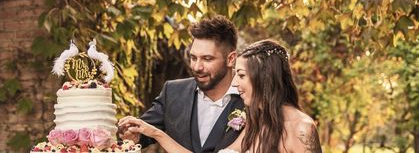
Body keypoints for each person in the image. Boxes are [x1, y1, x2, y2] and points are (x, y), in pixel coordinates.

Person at [119, 40, 323, 153]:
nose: (235, 83)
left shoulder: (302, 127)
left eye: (241, 75)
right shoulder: (256, 121)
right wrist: (155, 132)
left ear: (264, 78)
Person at [118, 16, 243, 153]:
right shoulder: (172, 91)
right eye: (193, 58)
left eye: (207, 59)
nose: (197, 67)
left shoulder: (251, 100)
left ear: (231, 59)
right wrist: (131, 135)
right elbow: (142, 133)